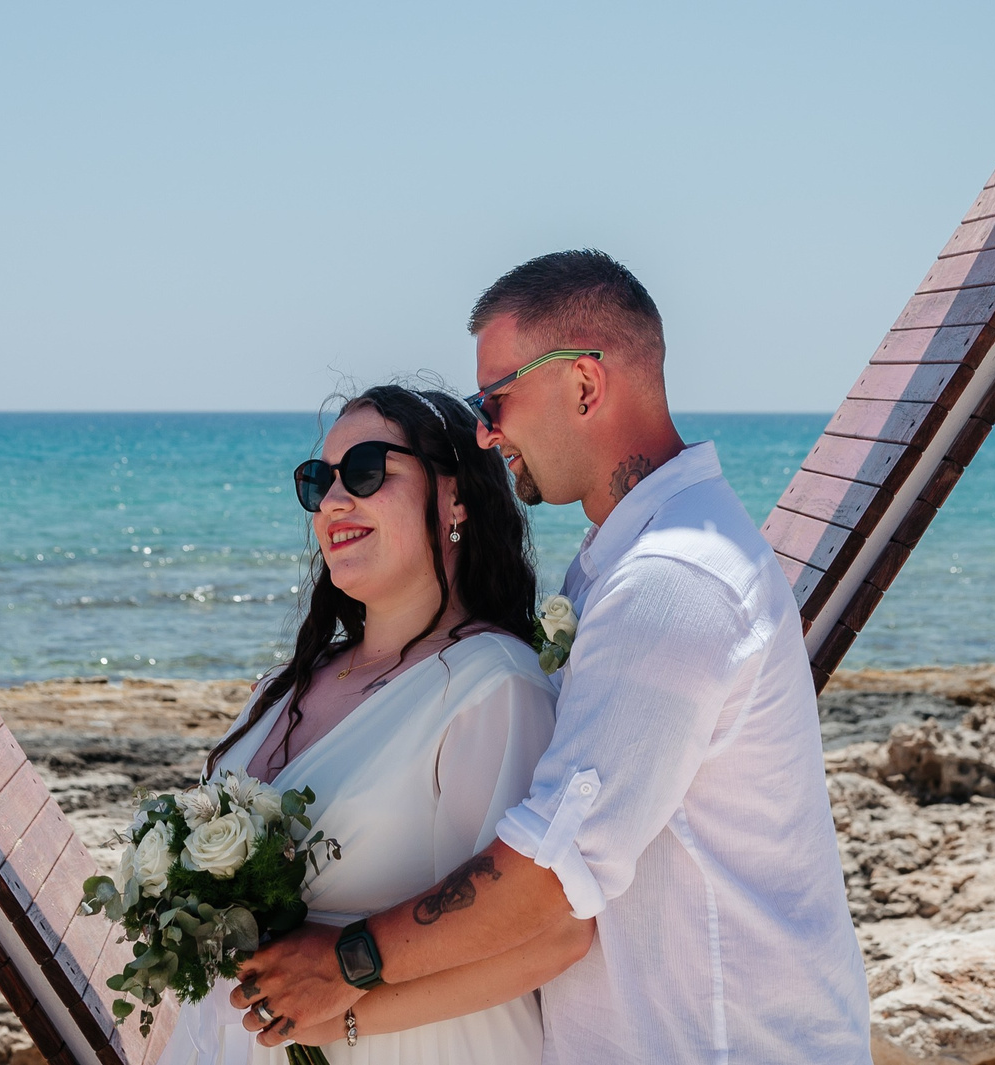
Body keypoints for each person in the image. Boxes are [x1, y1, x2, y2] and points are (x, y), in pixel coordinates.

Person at [236, 253, 871, 1062]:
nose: (485, 431)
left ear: (583, 384)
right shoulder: (625, 565)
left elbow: (550, 878)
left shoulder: (669, 581)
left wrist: (346, 964)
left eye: (495, 397)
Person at [160, 383, 591, 1063]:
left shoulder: (491, 687)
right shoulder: (284, 688)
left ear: (456, 498)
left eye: (366, 470)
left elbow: (553, 933)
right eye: (317, 481)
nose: (333, 500)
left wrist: (348, 1015)